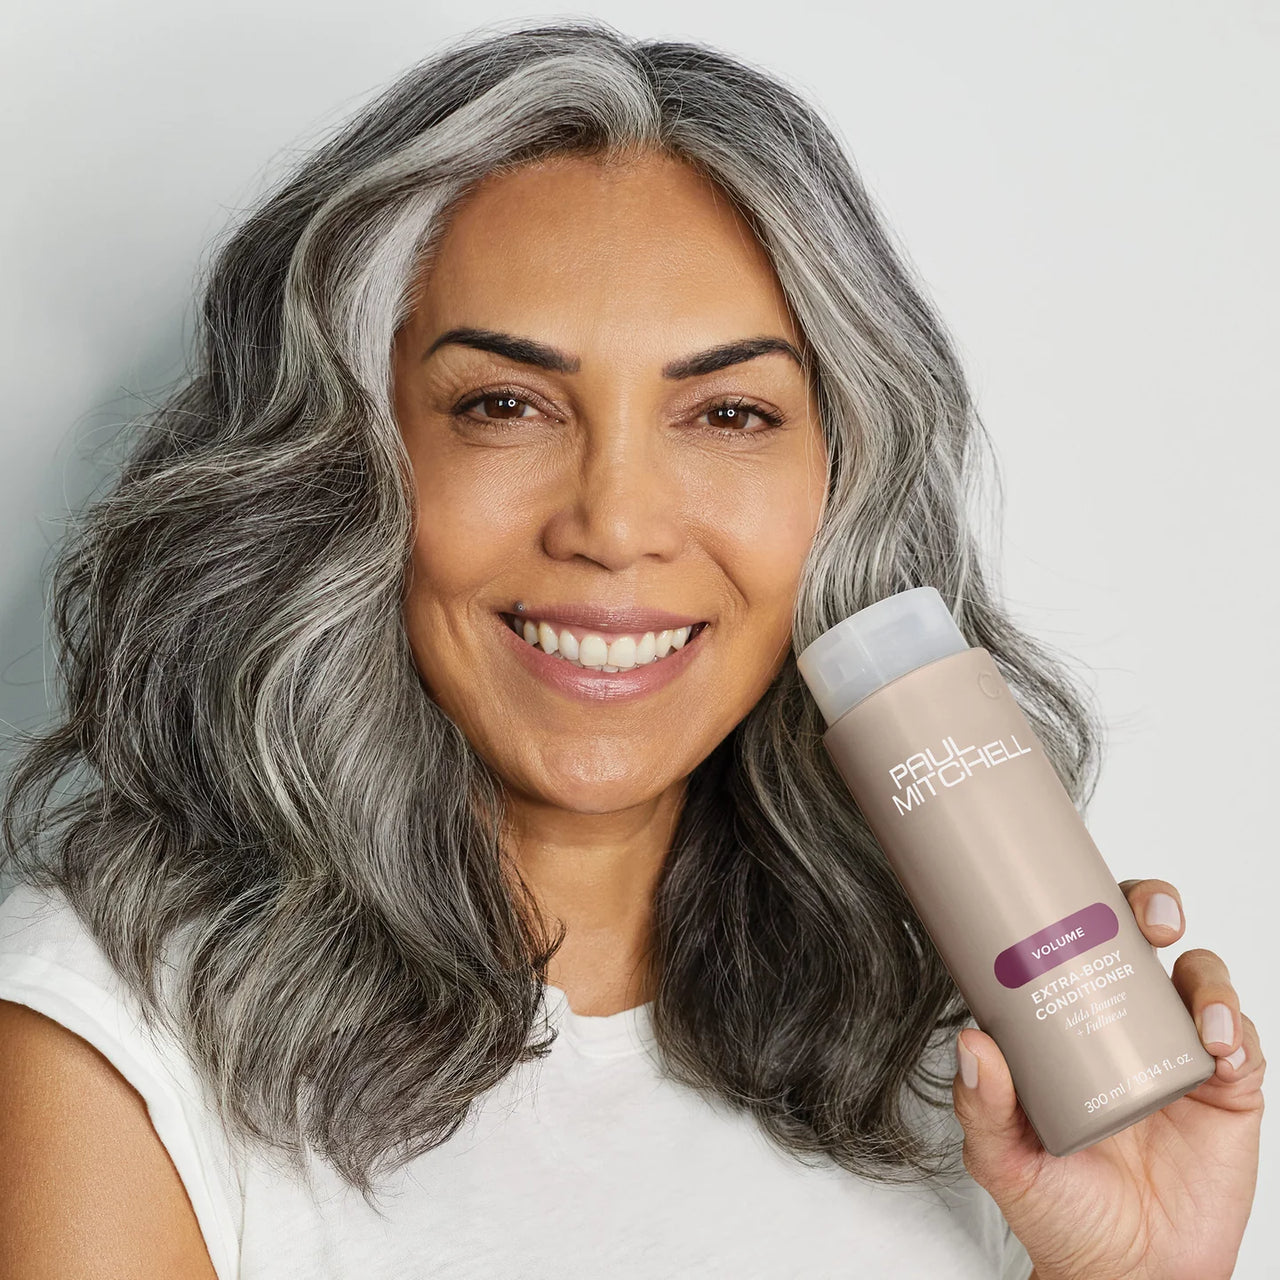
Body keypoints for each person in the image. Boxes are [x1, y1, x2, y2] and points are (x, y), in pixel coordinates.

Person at [0, 19, 1262, 1280]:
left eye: (726, 413)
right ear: (348, 463)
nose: (614, 524)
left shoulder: (957, 1047)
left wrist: (1135, 1272)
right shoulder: (114, 1041)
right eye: (504, 405)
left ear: (836, 485)